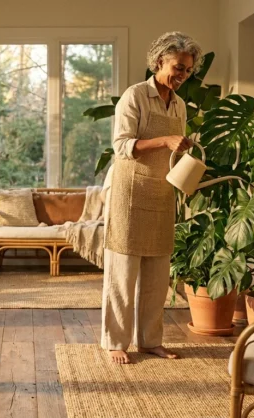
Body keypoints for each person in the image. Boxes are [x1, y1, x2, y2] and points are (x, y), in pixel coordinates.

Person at [101, 31, 201, 364]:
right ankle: (116, 341)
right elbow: (121, 147)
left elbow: (174, 149)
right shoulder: (135, 97)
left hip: (162, 192)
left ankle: (150, 341)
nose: (182, 75)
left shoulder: (180, 105)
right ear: (159, 61)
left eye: (187, 70)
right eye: (177, 67)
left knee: (158, 274)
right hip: (130, 193)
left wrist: (184, 150)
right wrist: (165, 140)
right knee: (124, 272)